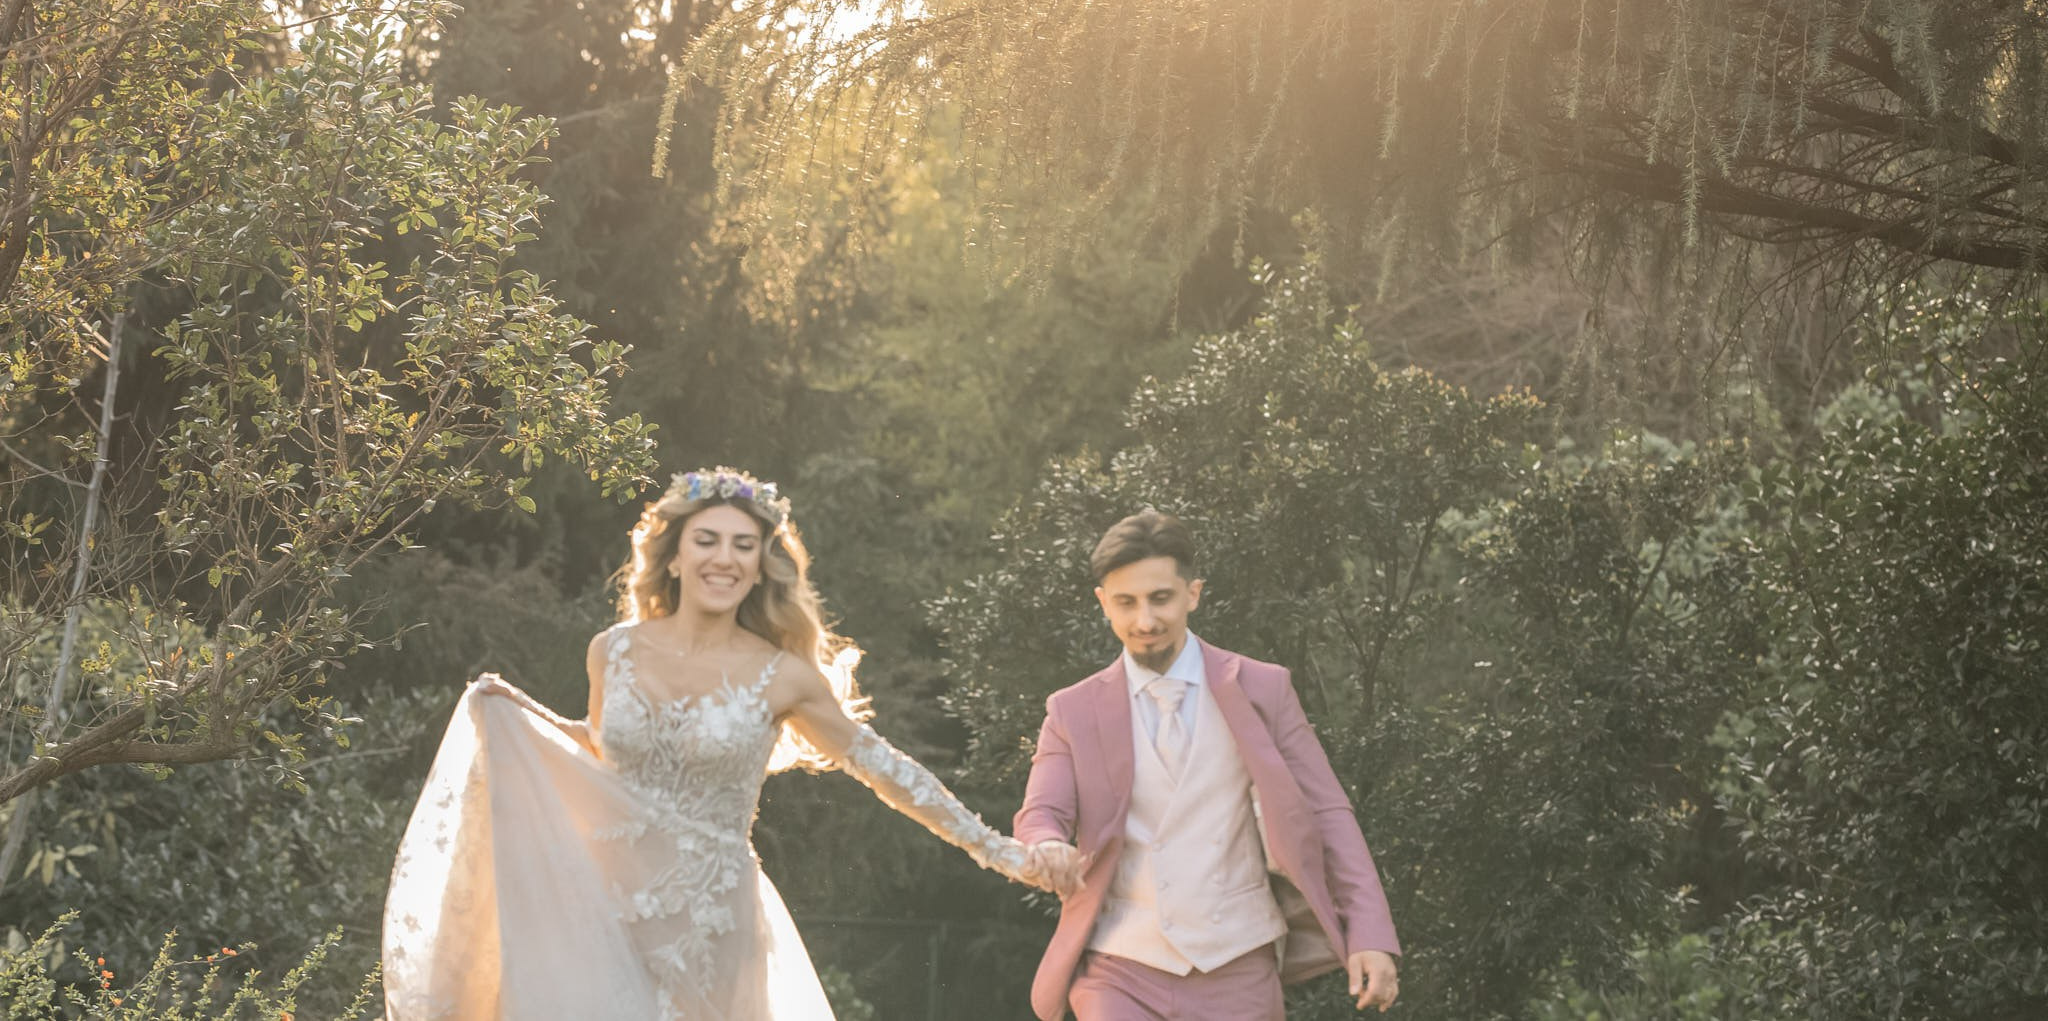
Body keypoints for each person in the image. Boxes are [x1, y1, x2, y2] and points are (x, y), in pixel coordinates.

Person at [382, 468, 1060, 1021]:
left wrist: (1003, 852)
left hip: (707, 925)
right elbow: (603, 757)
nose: (724, 559)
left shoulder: (783, 675)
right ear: (673, 554)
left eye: (744, 545)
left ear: (763, 566)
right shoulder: (611, 650)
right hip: (601, 902)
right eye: (707, 540)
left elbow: (885, 770)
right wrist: (525, 716)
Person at [1015, 509, 1401, 1020]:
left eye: (1161, 598)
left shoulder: (1264, 688)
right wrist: (1043, 843)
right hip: (1120, 964)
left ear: (1192, 594)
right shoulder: (1071, 709)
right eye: (1126, 603)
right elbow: (1042, 811)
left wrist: (1370, 933)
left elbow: (1328, 812)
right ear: (1103, 602)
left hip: (1238, 963)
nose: (1145, 621)